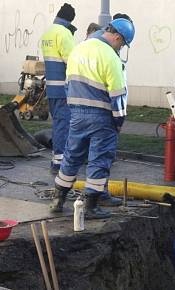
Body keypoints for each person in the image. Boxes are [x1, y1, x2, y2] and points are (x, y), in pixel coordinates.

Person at [49, 18, 135, 219]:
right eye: (122, 44)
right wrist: (119, 122)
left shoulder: (79, 49)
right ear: (117, 37)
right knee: (99, 159)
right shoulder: (111, 57)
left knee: (72, 156)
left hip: (76, 114)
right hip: (102, 117)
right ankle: (91, 207)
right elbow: (117, 95)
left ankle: (58, 199)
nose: (121, 48)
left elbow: (68, 83)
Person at [40, 3, 76, 175]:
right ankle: (60, 163)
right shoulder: (64, 33)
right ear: (69, 20)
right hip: (63, 88)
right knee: (64, 124)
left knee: (57, 124)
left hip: (51, 89)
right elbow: (72, 62)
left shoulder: (47, 33)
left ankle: (56, 157)